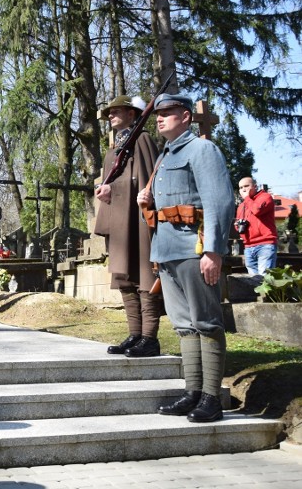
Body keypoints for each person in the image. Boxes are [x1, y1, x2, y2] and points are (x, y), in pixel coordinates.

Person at [137, 93, 235, 423]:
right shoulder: (164, 157)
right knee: (184, 327)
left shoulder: (202, 150)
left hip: (194, 251)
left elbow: (219, 202)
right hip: (166, 251)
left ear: (186, 117)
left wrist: (213, 251)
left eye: (168, 113)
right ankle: (193, 391)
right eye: (158, 114)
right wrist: (145, 202)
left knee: (207, 323)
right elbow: (164, 210)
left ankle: (212, 398)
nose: (160, 118)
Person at [94, 95, 163, 358]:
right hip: (118, 221)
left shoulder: (142, 140)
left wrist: (115, 189)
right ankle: (135, 334)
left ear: (133, 114)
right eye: (109, 112)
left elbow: (147, 181)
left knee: (144, 277)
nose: (110, 115)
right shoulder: (113, 149)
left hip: (137, 221)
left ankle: (149, 338)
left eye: (116, 111)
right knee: (124, 278)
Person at [235, 177, 278, 275]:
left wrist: (247, 198)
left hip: (265, 245)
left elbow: (257, 210)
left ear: (255, 186)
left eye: (246, 186)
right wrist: (238, 226)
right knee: (253, 282)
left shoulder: (265, 197)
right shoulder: (241, 206)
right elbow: (238, 225)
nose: (244, 189)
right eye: (241, 187)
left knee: (264, 280)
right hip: (248, 246)